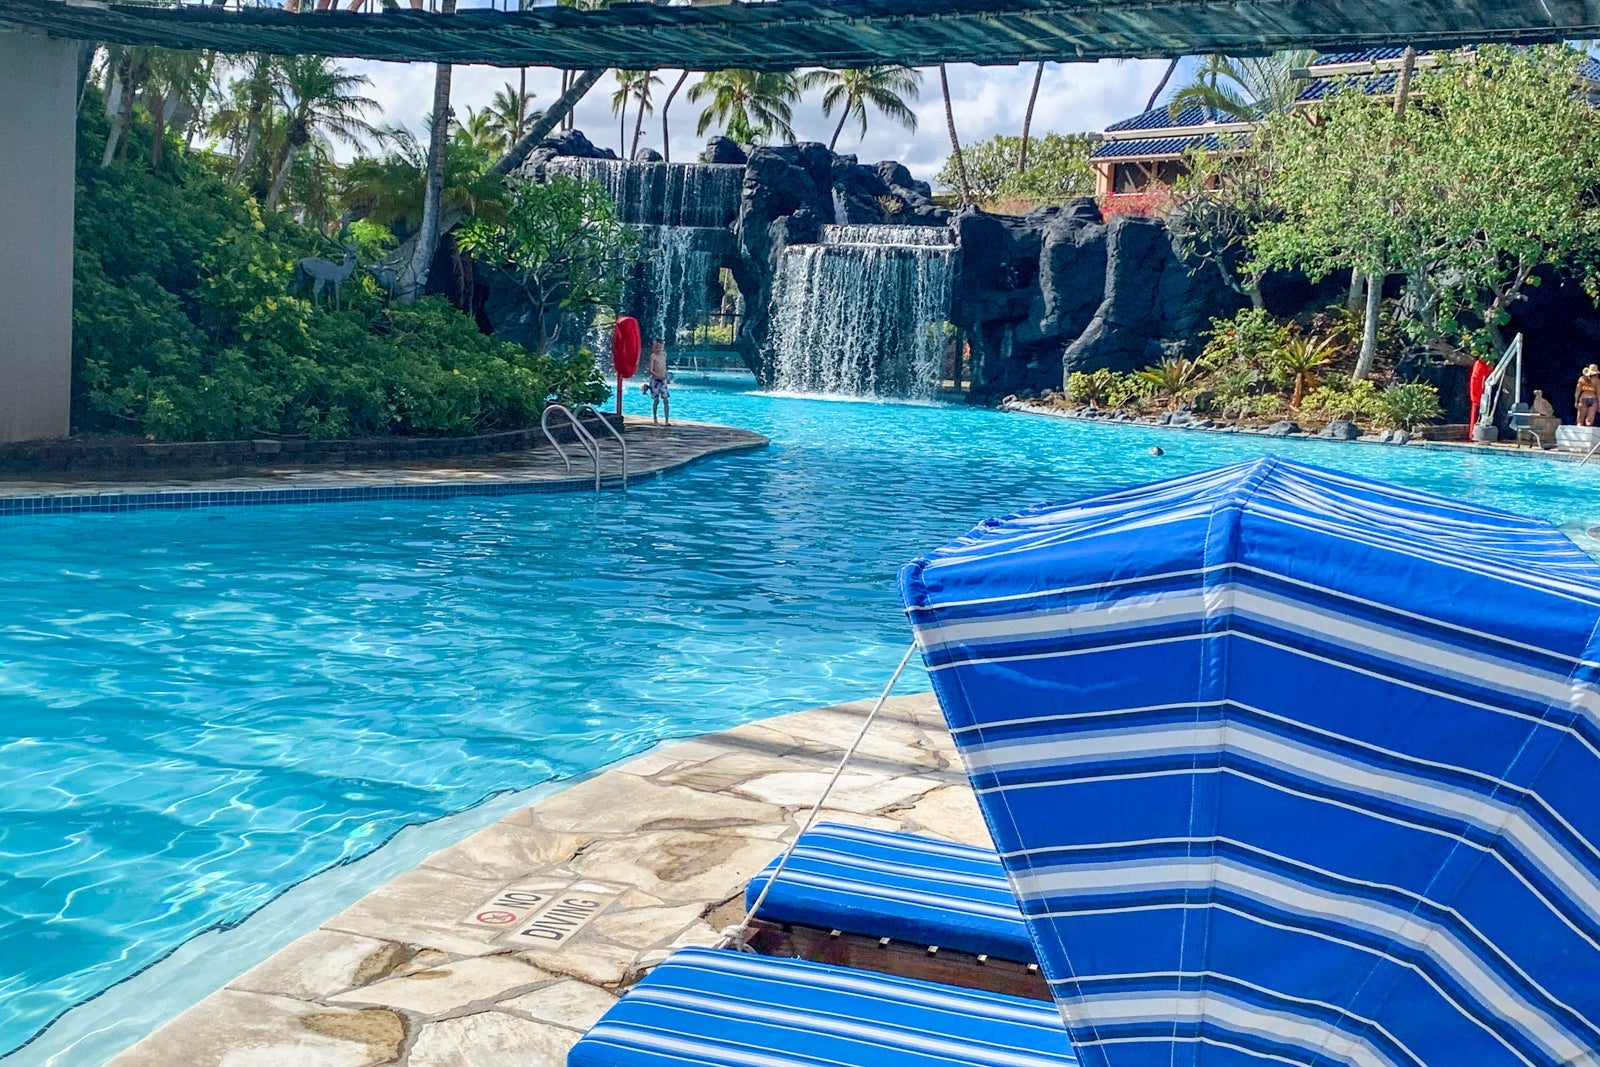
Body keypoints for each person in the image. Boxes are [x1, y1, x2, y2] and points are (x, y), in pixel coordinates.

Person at [640, 338, 670, 425]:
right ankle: (655, 418)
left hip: (663, 380)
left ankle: (666, 420)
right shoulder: (653, 356)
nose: (658, 348)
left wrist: (666, 376)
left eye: (660, 346)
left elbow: (664, 367)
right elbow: (651, 370)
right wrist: (658, 376)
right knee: (656, 400)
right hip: (655, 380)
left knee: (666, 400)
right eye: (656, 347)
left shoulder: (664, 355)